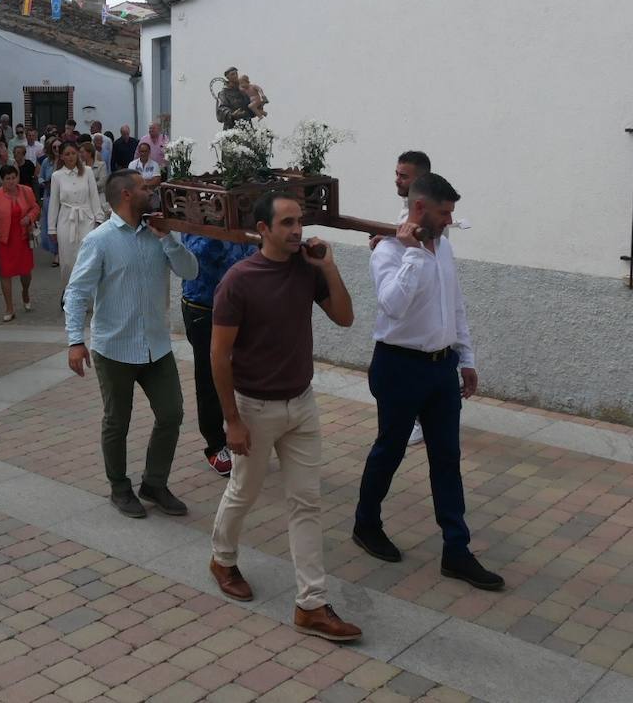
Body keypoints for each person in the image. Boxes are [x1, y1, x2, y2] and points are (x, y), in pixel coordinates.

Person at [207, 192, 361, 642]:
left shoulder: (306, 270)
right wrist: (232, 421)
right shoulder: (239, 281)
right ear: (264, 230)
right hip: (254, 407)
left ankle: (311, 605)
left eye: (300, 221)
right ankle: (222, 557)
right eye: (288, 223)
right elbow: (219, 357)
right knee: (244, 490)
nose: (298, 230)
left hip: (302, 404)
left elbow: (346, 318)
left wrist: (328, 266)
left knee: (306, 502)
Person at [353, 173, 504, 591]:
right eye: (445, 212)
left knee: (447, 457)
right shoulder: (386, 250)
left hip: (442, 367)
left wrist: (466, 358)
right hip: (399, 365)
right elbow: (392, 307)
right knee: (390, 449)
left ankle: (456, 549)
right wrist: (414, 254)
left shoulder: (446, 249)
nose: (450, 220)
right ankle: (366, 524)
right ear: (421, 209)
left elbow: (454, 306)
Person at [64, 170, 198, 518]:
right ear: (126, 194)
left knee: (171, 413)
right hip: (114, 349)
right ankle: (120, 489)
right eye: (143, 187)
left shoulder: (159, 231)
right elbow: (76, 293)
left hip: (157, 347)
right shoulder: (100, 240)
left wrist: (169, 238)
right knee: (117, 422)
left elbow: (191, 272)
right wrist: (75, 341)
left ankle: (154, 483)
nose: (150, 191)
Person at [367, 150, 434, 447]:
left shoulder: (430, 216)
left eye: (403, 176)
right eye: (396, 173)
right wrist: (389, 242)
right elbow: (404, 239)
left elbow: (419, 244)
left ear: (420, 180)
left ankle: (418, 420)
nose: (397, 180)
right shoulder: (405, 210)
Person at [180, 233, 257, 476]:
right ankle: (215, 443)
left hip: (243, 301)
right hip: (204, 301)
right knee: (210, 375)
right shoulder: (200, 206)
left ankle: (250, 434)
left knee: (248, 370)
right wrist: (225, 233)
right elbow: (197, 256)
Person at [0, 164, 39, 322]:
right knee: (6, 274)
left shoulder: (26, 191)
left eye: (14, 178)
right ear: (2, 180)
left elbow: (35, 208)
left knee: (26, 273)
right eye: (8, 179)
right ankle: (9, 307)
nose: (11, 181)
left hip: (23, 238)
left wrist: (29, 218)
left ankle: (25, 292)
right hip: (5, 240)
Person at [49, 142, 103, 298]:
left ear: (78, 154)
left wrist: (98, 219)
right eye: (67, 154)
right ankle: (69, 291)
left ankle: (85, 293)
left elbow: (94, 197)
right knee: (67, 261)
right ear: (62, 157)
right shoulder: (57, 176)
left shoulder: (87, 172)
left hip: (86, 219)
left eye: (73, 153)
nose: (71, 157)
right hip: (66, 220)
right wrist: (51, 228)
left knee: (86, 259)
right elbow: (54, 203)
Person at [39, 137, 60, 266]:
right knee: (50, 225)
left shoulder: (65, 161)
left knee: (61, 225)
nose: (57, 149)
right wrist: (44, 182)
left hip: (63, 197)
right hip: (49, 195)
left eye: (59, 147)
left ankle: (60, 253)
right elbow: (40, 177)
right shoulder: (47, 162)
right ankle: (55, 252)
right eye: (54, 147)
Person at [79, 140, 109, 219]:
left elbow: (102, 182)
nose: (80, 154)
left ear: (89, 153)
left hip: (99, 198)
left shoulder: (101, 165)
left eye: (82, 152)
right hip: (85, 199)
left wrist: (87, 186)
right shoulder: (80, 167)